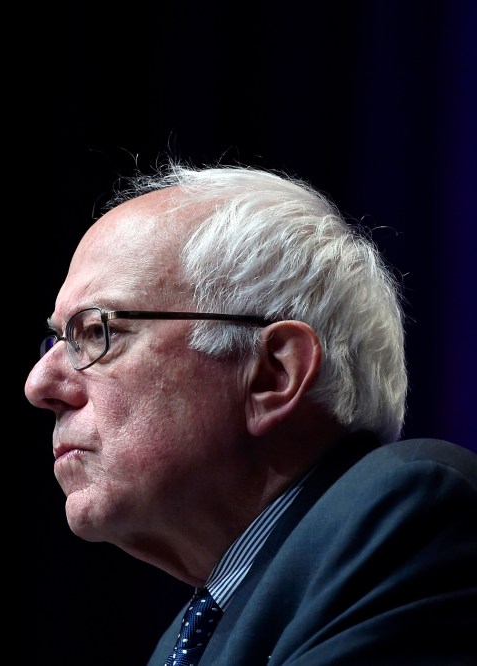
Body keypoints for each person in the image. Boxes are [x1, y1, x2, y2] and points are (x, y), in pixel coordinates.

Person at [24, 161, 477, 665]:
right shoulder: (185, 639)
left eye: (96, 332)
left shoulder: (409, 520)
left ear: (272, 375)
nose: (40, 384)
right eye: (59, 337)